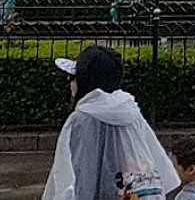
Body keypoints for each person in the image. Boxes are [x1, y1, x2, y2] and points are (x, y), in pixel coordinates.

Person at [43, 45, 180, 200]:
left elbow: (72, 177)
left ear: (85, 81)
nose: (70, 84)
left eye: (72, 78)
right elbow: (153, 164)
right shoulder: (129, 110)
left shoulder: (81, 119)